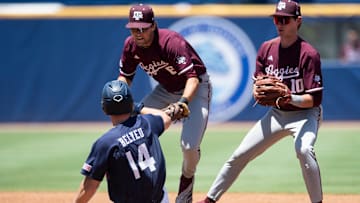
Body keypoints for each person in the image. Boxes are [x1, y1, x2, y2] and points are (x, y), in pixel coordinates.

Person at [198, 0, 324, 203]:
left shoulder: (308, 54)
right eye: (276, 19)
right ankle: (210, 200)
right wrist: (260, 89)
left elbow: (315, 99)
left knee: (303, 150)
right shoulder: (267, 49)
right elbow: (258, 83)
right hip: (277, 114)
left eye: (285, 19)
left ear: (297, 21)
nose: (279, 24)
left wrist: (289, 97)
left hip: (305, 115)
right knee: (240, 155)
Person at [118, 4, 212, 203]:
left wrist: (183, 102)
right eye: (134, 28)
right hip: (166, 89)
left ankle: (186, 189)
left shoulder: (171, 42)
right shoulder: (130, 45)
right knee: (129, 125)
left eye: (143, 28)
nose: (138, 33)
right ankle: (141, 187)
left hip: (195, 87)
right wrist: (118, 94)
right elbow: (125, 77)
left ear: (153, 26)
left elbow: (193, 79)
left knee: (189, 146)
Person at [74, 80, 174, 203]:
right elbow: (166, 117)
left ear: (104, 107)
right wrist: (137, 107)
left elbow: (90, 186)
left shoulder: (106, 142)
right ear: (130, 103)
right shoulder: (147, 123)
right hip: (161, 199)